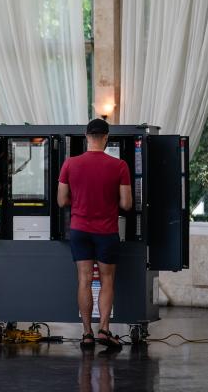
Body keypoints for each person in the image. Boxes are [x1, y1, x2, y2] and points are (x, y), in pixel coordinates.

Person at [57, 119, 132, 350]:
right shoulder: (119, 166)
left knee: (84, 280)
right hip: (106, 231)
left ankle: (87, 333)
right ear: (107, 137)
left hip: (80, 230)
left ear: (85, 136)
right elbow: (127, 204)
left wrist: (79, 201)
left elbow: (61, 201)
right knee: (107, 280)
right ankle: (104, 330)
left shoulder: (70, 164)